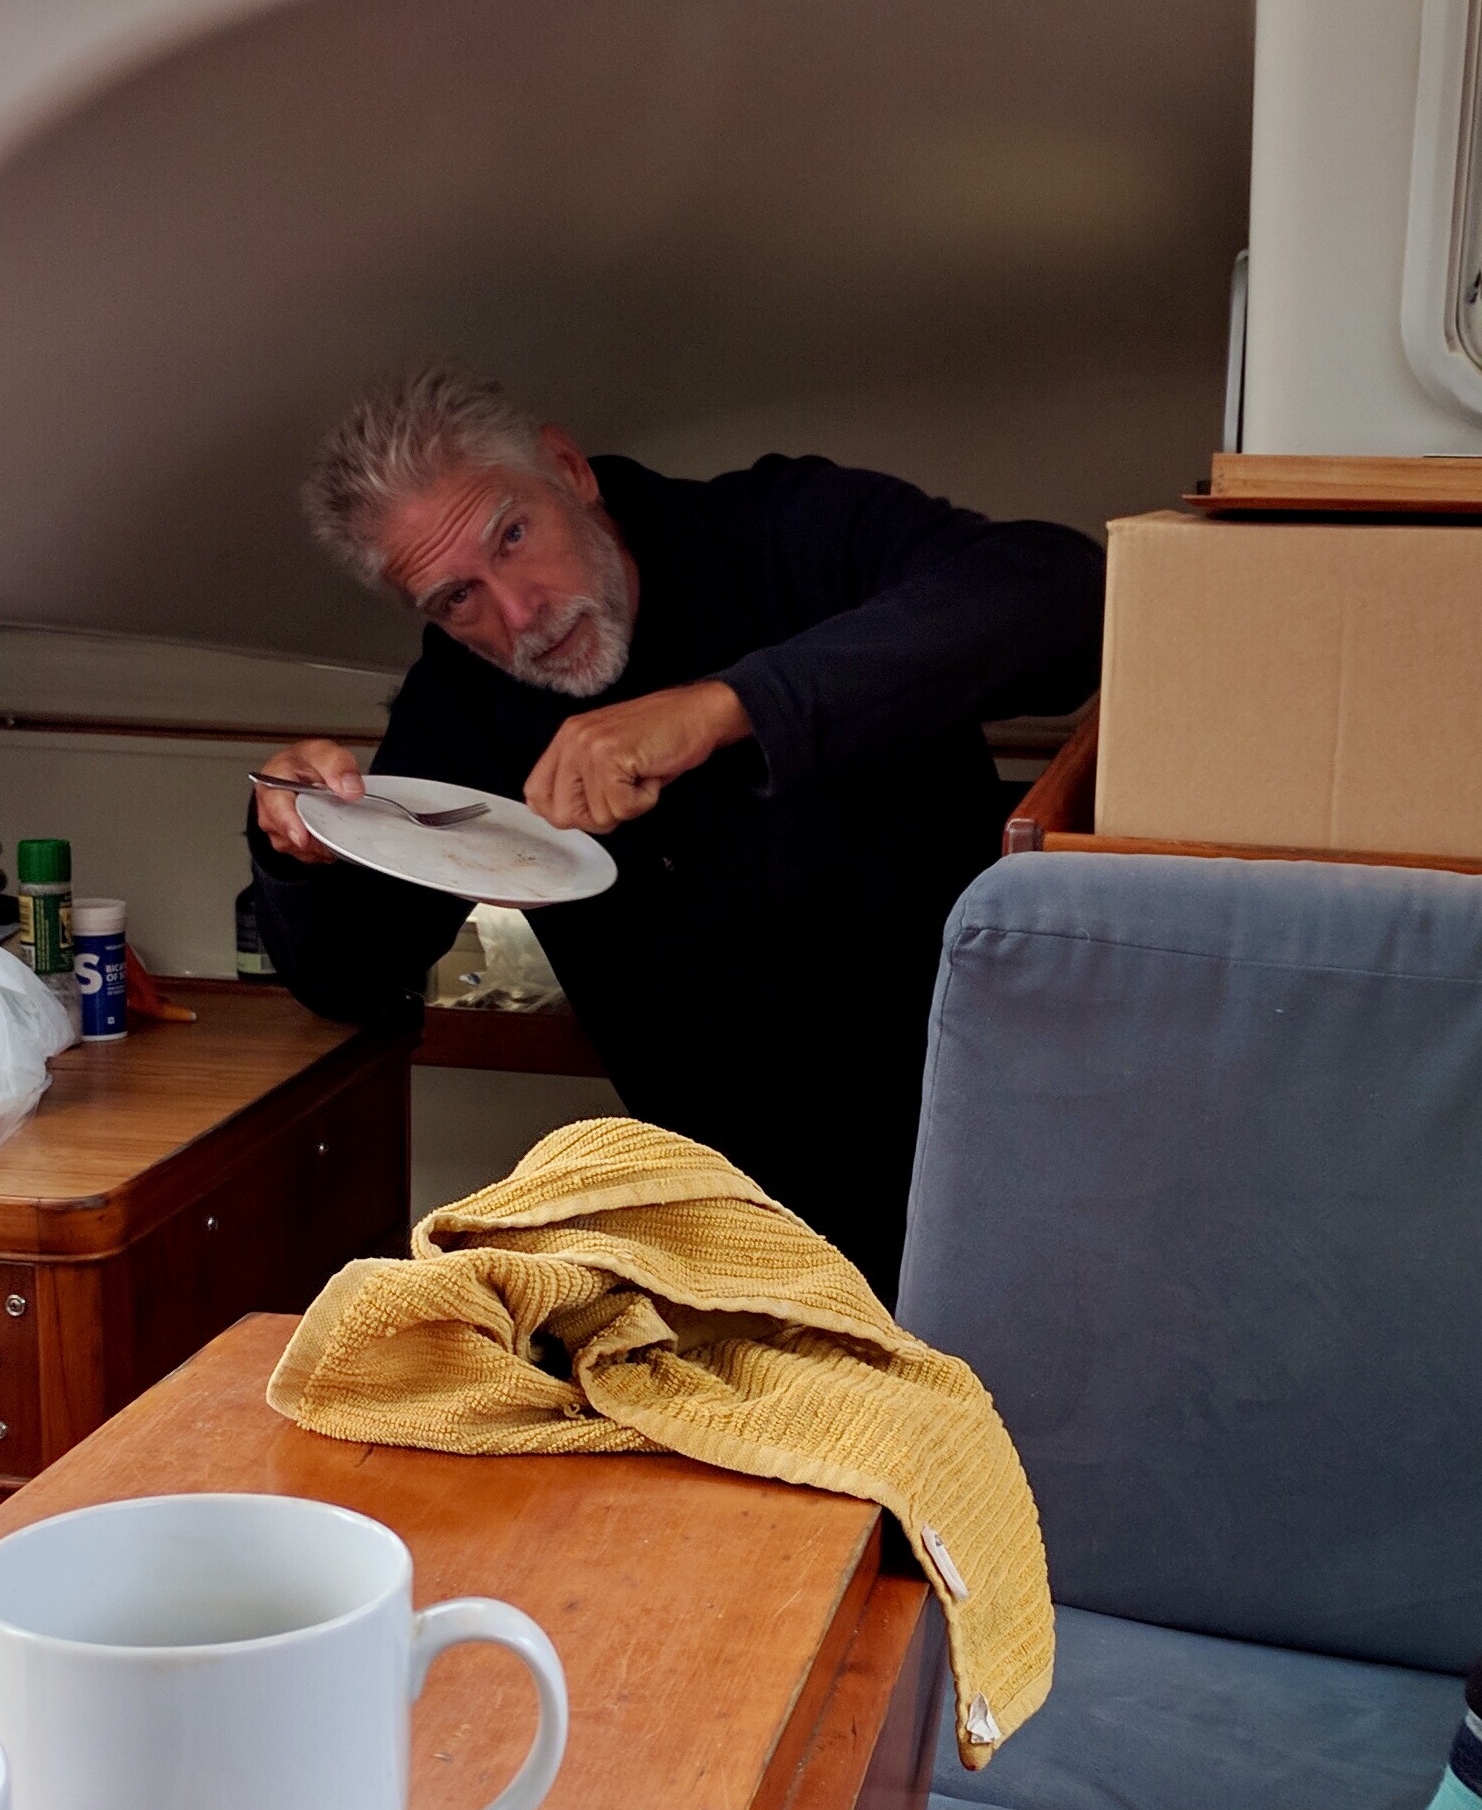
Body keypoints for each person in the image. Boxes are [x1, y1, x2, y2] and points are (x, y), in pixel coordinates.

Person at [249, 361, 1105, 1301]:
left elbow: (1068, 598)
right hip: (741, 1236)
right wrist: (305, 842)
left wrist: (730, 705)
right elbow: (352, 972)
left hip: (1008, 1162)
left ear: (568, 470)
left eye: (514, 535)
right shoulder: (461, 704)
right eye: (456, 597)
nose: (519, 613)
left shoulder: (781, 529)